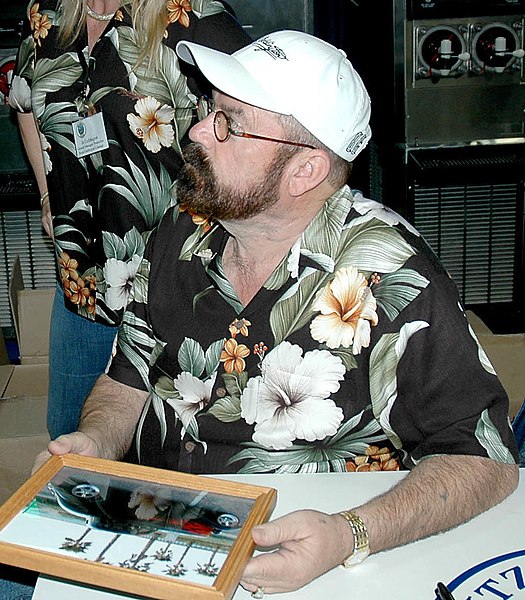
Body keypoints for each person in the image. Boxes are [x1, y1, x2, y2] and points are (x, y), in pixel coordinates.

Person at [32, 30, 519, 596]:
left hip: (305, 567)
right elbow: (128, 381)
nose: (195, 133)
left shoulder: (390, 277)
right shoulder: (180, 231)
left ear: (304, 171)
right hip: (157, 540)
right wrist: (95, 441)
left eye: (229, 123)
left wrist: (350, 534)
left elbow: (485, 459)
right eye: (208, 111)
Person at [8, 0, 251, 439]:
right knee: (69, 441)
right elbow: (24, 102)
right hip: (83, 284)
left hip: (176, 285)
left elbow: (259, 119)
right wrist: (47, 192)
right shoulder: (48, 15)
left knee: (163, 457)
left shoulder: (190, 15)